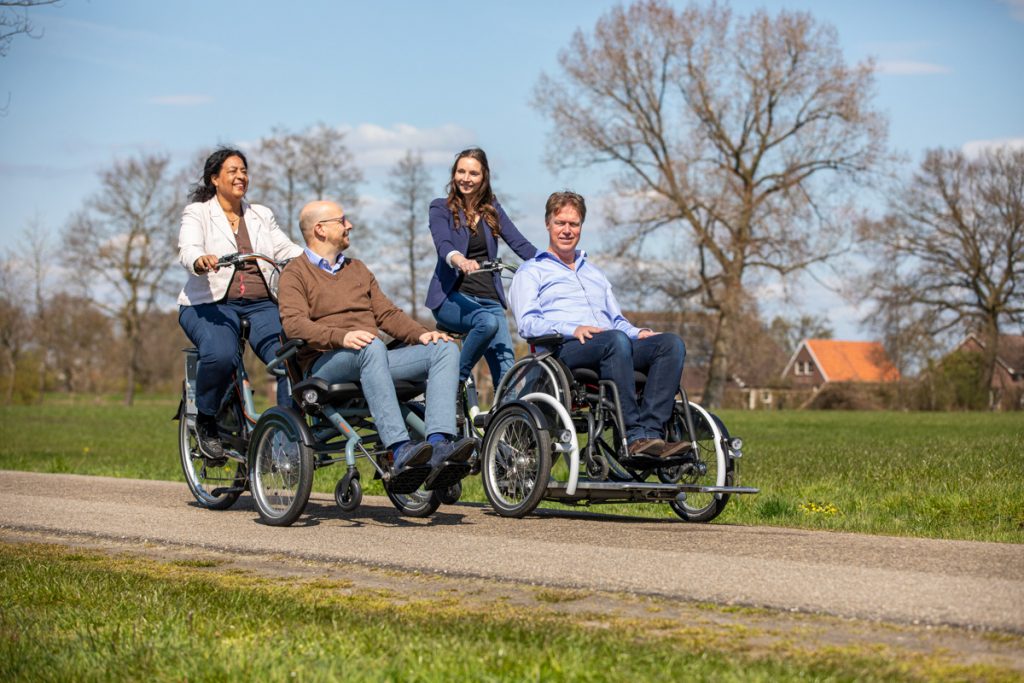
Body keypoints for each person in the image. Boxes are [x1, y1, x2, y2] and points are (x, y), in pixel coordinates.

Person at [278, 200, 475, 491]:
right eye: (342, 220)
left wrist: (423, 335)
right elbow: (294, 325)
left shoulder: (357, 269)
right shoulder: (295, 273)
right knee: (371, 346)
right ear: (320, 229)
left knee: (444, 348)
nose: (349, 226)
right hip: (327, 364)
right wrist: (341, 337)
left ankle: (438, 445)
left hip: (372, 356)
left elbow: (386, 314)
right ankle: (398, 449)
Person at [509, 191, 690, 458]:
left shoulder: (595, 274)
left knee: (670, 344)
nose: (567, 230)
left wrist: (639, 333)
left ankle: (652, 434)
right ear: (548, 223)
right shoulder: (532, 271)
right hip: (565, 350)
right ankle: (633, 438)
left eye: (574, 224)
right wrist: (574, 329)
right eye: (561, 223)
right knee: (615, 341)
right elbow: (528, 324)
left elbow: (617, 321)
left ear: (581, 226)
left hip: (612, 344)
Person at [178, 148, 304, 460]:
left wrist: (317, 259)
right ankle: (206, 419)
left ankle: (286, 436)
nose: (241, 176)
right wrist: (200, 259)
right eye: (232, 171)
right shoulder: (198, 213)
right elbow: (188, 248)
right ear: (215, 178)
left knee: (290, 358)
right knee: (220, 356)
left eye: (244, 171)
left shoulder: (261, 214)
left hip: (261, 304)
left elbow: (284, 247)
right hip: (209, 305)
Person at [426, 148, 537, 389]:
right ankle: (451, 384)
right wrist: (459, 259)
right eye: (461, 171)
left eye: (473, 173)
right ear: (454, 174)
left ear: (483, 177)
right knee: (486, 323)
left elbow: (519, 243)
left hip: (490, 298)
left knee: (508, 374)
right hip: (453, 297)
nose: (466, 178)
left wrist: (553, 264)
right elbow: (443, 244)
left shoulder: (492, 209)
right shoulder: (440, 208)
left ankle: (506, 425)